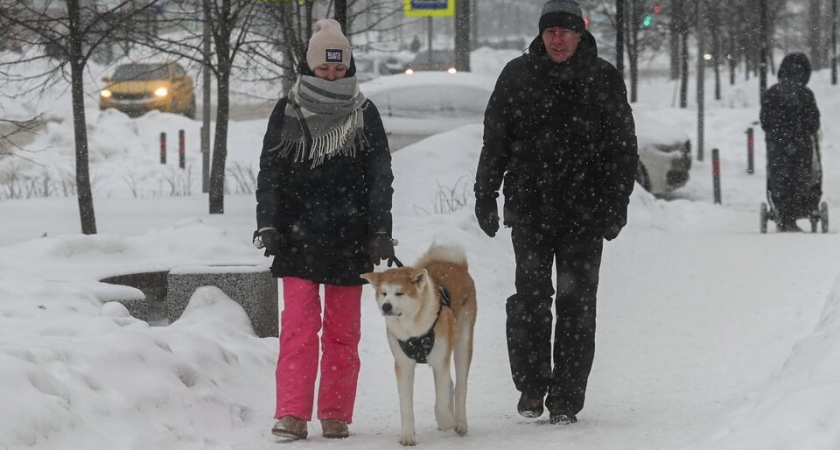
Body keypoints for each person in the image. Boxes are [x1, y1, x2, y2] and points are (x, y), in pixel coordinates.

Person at [473, 0, 638, 425]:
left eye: (565, 31)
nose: (557, 39)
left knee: (577, 305)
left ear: (579, 34)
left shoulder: (602, 78)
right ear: (541, 34)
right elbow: (495, 140)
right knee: (530, 299)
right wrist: (485, 193)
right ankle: (532, 383)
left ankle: (566, 396)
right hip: (529, 210)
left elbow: (622, 149)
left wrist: (615, 205)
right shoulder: (517, 75)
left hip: (585, 213)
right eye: (550, 32)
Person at [254, 18, 395, 441]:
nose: (332, 75)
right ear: (309, 66)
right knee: (298, 326)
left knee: (343, 331)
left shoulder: (364, 112)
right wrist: (268, 222)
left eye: (339, 68)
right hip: (297, 236)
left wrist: (380, 231)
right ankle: (292, 414)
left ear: (348, 67)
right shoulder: (288, 109)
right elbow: (271, 172)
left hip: (351, 239)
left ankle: (335, 412)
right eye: (324, 68)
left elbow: (380, 176)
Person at [760, 52, 821, 232]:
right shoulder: (806, 94)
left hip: (777, 146)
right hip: (802, 146)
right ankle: (798, 210)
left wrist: (781, 139)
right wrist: (799, 136)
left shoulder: (772, 93)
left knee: (780, 178)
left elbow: (766, 121)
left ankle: (783, 213)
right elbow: (813, 122)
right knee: (801, 178)